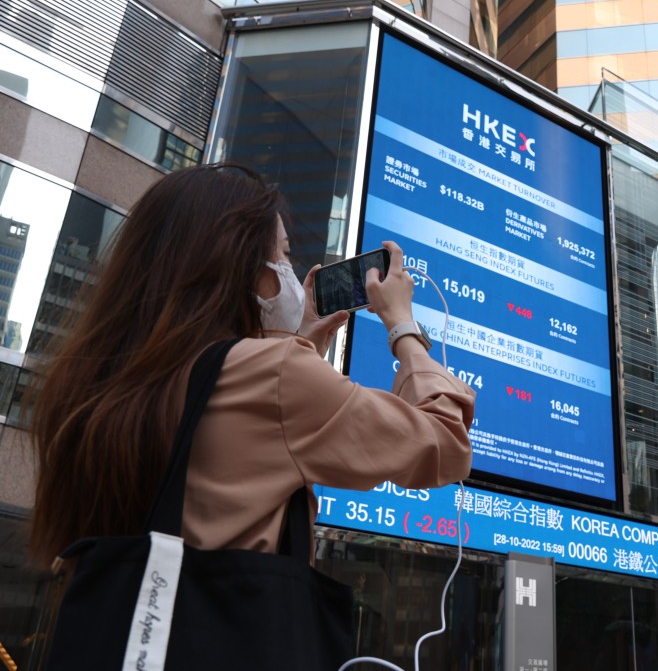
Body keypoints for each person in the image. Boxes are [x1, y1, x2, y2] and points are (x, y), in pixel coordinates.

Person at [28, 163, 475, 564]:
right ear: (241, 267)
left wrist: (297, 344)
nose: (288, 268)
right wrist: (402, 325)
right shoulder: (275, 374)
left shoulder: (99, 379)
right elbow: (444, 445)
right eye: (282, 254)